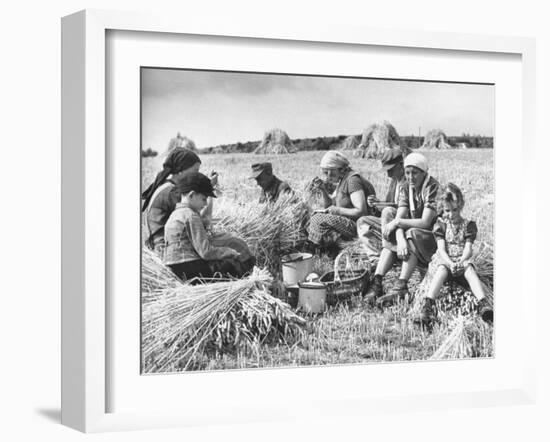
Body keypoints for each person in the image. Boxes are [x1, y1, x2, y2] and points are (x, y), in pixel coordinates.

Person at [365, 152, 440, 306]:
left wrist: (399, 225)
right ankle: (378, 281)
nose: (411, 177)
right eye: (407, 173)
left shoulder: (432, 187)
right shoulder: (406, 186)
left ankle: (402, 284)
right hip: (411, 231)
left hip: (431, 236)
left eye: (415, 173)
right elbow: (399, 216)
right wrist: (400, 239)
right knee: (388, 213)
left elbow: (425, 222)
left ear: (424, 173)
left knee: (411, 232)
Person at [414, 183, 493, 328]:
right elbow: (441, 249)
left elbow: (468, 248)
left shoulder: (468, 225)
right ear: (442, 210)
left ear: (461, 205)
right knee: (441, 270)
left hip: (462, 259)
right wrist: (450, 263)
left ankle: (483, 303)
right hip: (446, 260)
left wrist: (462, 261)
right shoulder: (441, 225)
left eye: (455, 210)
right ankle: (427, 305)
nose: (451, 214)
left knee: (469, 270)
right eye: (447, 211)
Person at [163, 172, 255, 282]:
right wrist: (228, 252)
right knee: (232, 266)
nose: (205, 203)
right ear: (191, 195)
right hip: (190, 267)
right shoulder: (191, 216)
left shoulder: (175, 214)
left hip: (174, 266)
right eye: (203, 199)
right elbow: (206, 252)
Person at [141, 147, 217, 256]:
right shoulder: (173, 192)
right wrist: (208, 189)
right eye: (195, 170)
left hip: (162, 245)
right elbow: (202, 222)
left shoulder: (167, 186)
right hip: (165, 250)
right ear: (181, 170)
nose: (197, 174)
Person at [307, 150, 376, 251]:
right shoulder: (342, 180)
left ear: (338, 169)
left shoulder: (352, 180)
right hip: (349, 222)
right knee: (312, 216)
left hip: (360, 224)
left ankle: (320, 249)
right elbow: (329, 205)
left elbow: (361, 211)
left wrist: (337, 210)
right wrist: (322, 189)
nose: (326, 176)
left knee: (318, 219)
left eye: (328, 172)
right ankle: (329, 249)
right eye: (324, 173)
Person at [356, 148, 406, 257]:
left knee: (388, 211)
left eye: (391, 170)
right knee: (362, 221)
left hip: (403, 223)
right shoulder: (394, 182)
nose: (388, 174)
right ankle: (375, 257)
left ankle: (389, 251)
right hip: (390, 220)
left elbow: (402, 208)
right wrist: (377, 204)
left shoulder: (410, 181)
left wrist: (384, 206)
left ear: (401, 165)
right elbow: (390, 204)